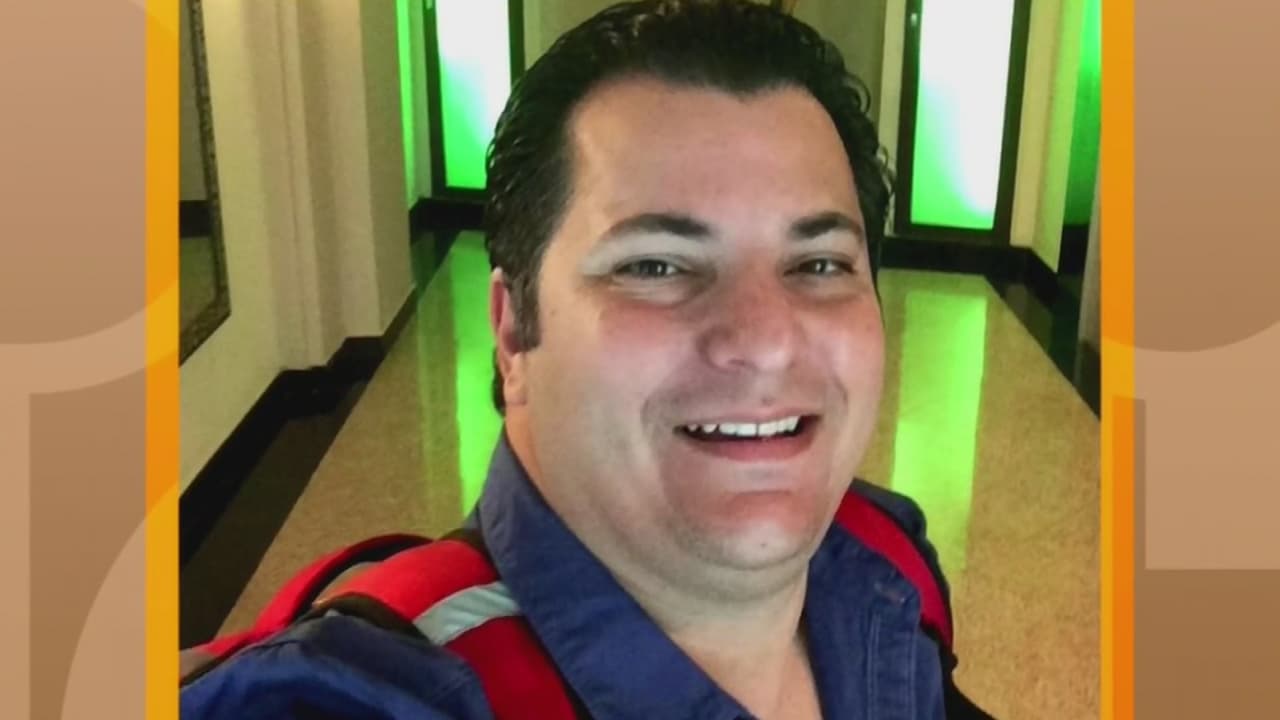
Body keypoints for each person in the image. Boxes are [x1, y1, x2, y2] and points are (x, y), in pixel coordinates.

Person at [181, 1, 974, 717]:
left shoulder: (886, 560)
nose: (766, 339)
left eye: (819, 263)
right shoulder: (371, 692)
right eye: (655, 265)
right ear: (512, 332)